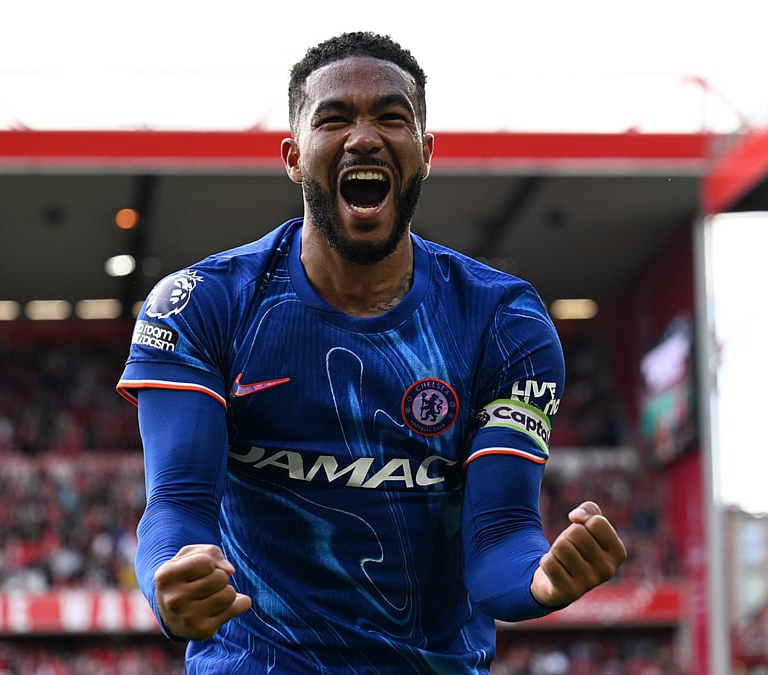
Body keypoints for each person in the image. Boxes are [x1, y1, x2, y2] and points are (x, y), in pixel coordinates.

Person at [117, 31, 628, 673]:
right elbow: (178, 505)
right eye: (334, 119)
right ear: (294, 156)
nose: (364, 137)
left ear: (426, 152)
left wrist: (542, 579)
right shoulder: (200, 304)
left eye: (392, 116)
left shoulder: (504, 323)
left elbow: (499, 537)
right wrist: (175, 578)